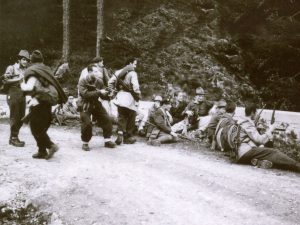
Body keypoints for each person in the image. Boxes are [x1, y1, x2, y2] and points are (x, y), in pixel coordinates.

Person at [21, 50, 67, 159]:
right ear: (42, 60)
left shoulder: (32, 71)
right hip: (48, 102)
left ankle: (51, 146)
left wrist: (21, 83)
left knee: (35, 128)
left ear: (31, 61)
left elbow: (28, 87)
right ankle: (42, 151)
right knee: (42, 127)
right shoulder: (46, 70)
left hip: (39, 101)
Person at [236, 102, 300, 172]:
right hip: (245, 152)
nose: (257, 114)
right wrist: (270, 129)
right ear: (252, 112)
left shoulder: (242, 121)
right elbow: (259, 140)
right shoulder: (247, 124)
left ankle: (258, 161)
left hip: (243, 152)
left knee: (266, 148)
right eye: (256, 112)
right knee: (274, 152)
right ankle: (297, 165)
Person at [77, 64, 116, 151]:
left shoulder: (99, 82)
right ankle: (85, 143)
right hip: (85, 104)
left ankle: (107, 140)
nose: (98, 72)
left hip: (96, 104)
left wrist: (110, 94)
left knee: (107, 119)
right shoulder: (82, 81)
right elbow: (85, 95)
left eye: (98, 71)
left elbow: (103, 96)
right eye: (95, 71)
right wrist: (99, 92)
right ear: (90, 72)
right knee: (87, 123)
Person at [108, 57, 141, 145]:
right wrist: (138, 95)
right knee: (132, 115)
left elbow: (110, 82)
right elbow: (136, 87)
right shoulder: (133, 73)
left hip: (120, 96)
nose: (135, 66)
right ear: (130, 63)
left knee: (121, 116)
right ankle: (128, 137)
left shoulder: (118, 72)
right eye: (135, 64)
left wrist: (114, 91)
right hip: (129, 97)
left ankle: (120, 134)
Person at [2, 50, 30, 147]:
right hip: (13, 92)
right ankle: (14, 138)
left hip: (22, 93)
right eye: (23, 59)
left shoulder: (26, 70)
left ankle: (13, 137)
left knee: (22, 116)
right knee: (15, 116)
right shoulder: (12, 68)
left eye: (27, 60)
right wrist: (18, 79)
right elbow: (5, 80)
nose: (25, 62)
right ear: (18, 59)